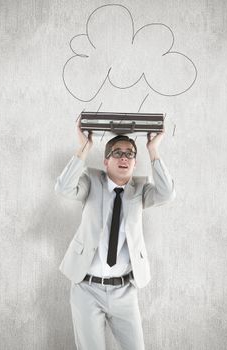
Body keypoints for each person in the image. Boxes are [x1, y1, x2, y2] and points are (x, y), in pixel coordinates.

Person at [54, 119, 175, 350]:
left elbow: (167, 193)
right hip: (86, 288)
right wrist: (84, 147)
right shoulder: (91, 182)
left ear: (134, 161)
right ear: (106, 160)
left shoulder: (140, 190)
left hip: (124, 291)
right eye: (117, 153)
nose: (123, 158)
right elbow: (63, 188)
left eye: (129, 154)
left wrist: (153, 150)